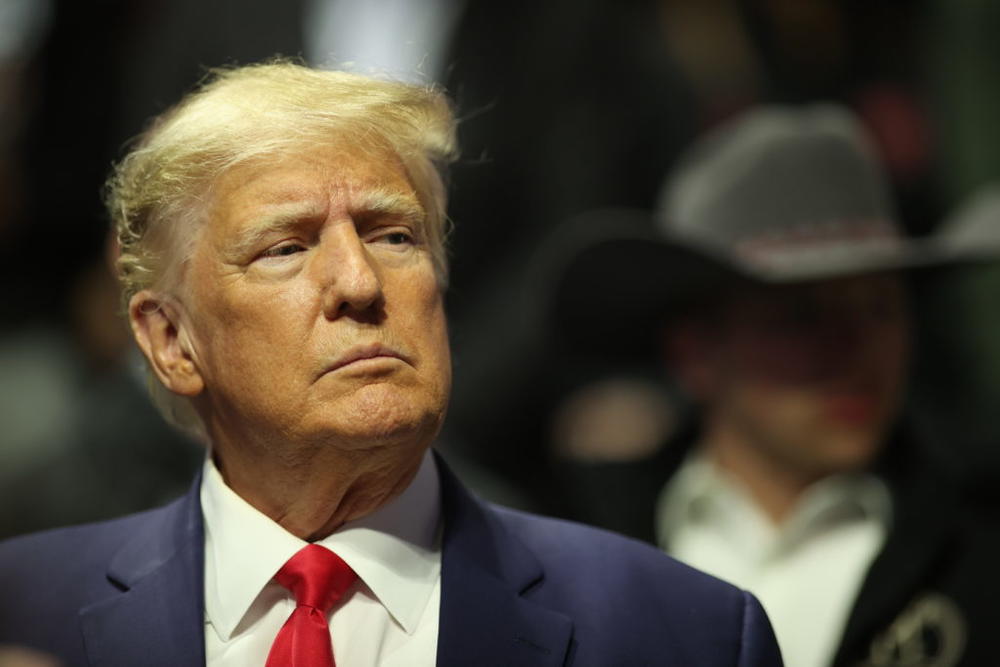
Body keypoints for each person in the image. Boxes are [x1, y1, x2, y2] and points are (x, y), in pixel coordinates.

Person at [0, 61, 782, 666]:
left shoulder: (683, 633)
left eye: (393, 235)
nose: (359, 282)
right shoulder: (22, 609)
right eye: (286, 247)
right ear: (172, 342)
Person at [552, 105, 1000, 667]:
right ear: (693, 353)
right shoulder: (570, 543)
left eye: (880, 307)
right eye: (801, 316)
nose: (855, 349)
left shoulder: (980, 543)